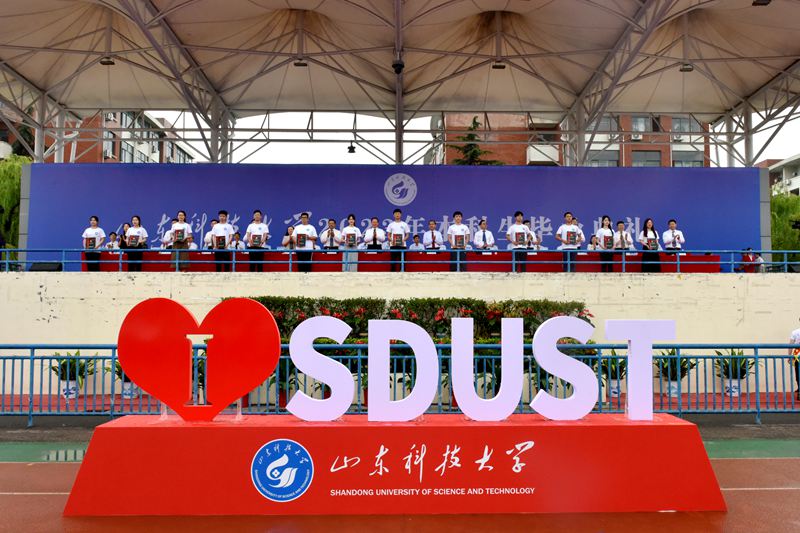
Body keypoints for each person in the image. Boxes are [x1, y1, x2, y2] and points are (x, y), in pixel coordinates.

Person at [789, 320, 800, 400]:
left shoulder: (795, 332)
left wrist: (789, 356)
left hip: (798, 354)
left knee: (798, 373)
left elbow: (790, 345)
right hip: (798, 354)